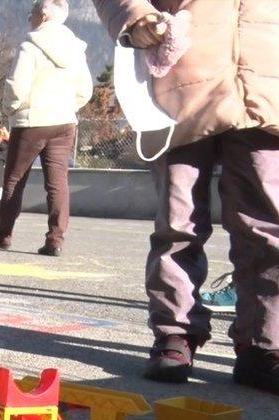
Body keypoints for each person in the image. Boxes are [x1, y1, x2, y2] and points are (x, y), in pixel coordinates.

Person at [93, 0, 279, 393]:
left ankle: (264, 344)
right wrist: (133, 14)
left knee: (267, 228)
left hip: (267, 82)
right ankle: (175, 332)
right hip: (179, 83)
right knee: (178, 223)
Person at [0, 0, 93, 256]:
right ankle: (56, 239)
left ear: (42, 15)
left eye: (31, 14)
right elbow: (85, 90)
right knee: (58, 182)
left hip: (31, 120)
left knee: (14, 180)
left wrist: (13, 108)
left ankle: (3, 233)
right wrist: (66, 107)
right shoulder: (76, 48)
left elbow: (16, 85)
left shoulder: (30, 46)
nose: (29, 19)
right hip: (64, 121)